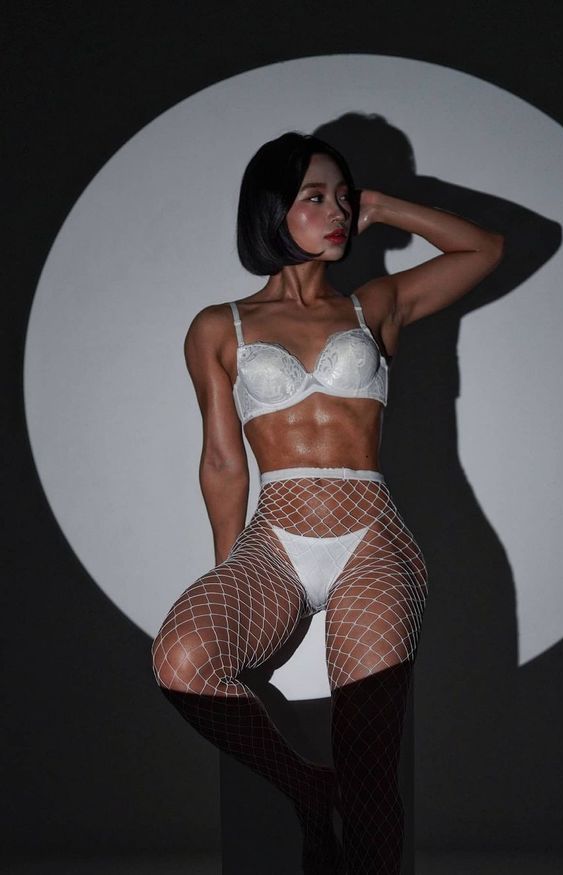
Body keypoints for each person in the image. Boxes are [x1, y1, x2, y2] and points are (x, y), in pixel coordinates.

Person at [151, 131, 504, 874]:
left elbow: (484, 249)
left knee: (372, 767)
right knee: (182, 660)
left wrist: (384, 205)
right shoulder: (219, 325)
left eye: (343, 197)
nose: (337, 211)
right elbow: (222, 461)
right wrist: (230, 571)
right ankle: (309, 790)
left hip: (370, 538)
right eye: (316, 197)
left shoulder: (375, 305)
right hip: (275, 539)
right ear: (272, 208)